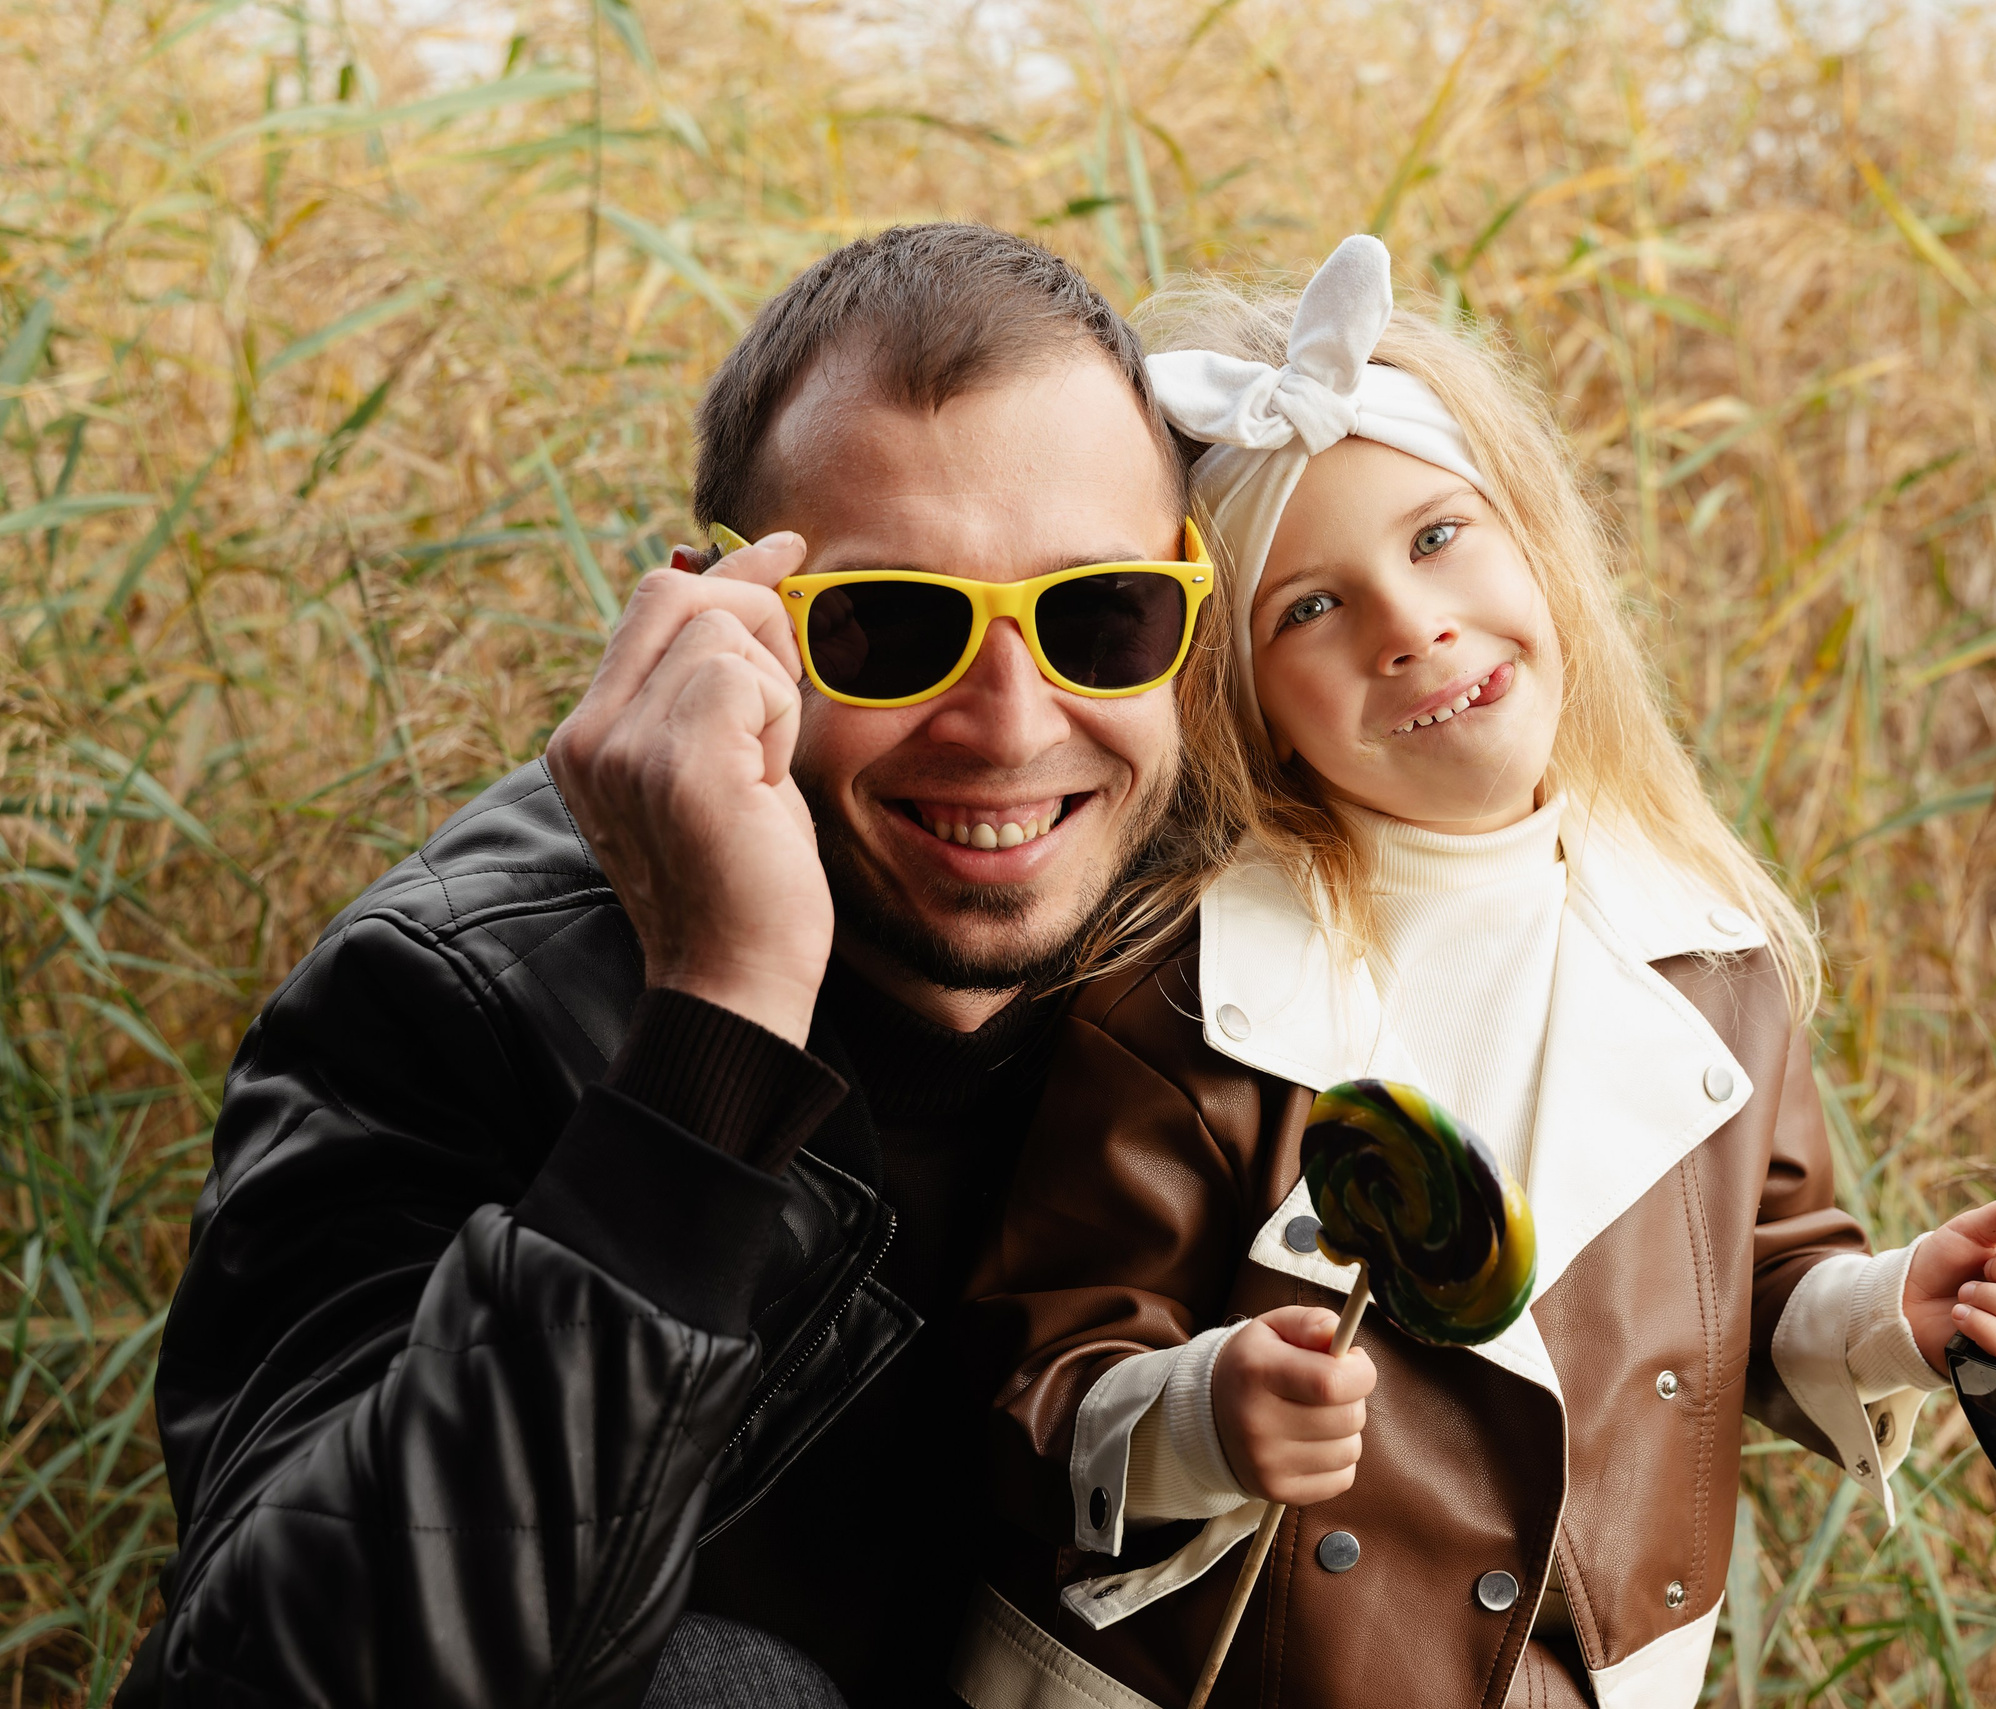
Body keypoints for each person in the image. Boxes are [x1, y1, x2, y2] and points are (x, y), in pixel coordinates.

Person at [951, 236, 1996, 1709]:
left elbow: (1751, 1273)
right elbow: (1035, 1383)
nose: (1411, 628)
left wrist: (1896, 1309)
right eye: (1310, 607)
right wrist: (1207, 1415)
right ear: (1243, 697)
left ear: (1536, 538)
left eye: (1439, 538)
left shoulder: (1707, 950)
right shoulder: (1186, 993)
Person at [123, 224, 1234, 1709]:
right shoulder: (450, 997)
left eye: (1102, 615)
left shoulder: (1271, 934)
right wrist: (715, 1025)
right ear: (716, 626)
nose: (1011, 723)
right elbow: (290, 1679)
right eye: (891, 627)